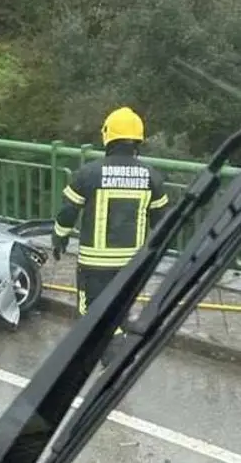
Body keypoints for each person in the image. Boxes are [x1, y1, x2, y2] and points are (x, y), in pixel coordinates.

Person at [50, 106, 169, 346]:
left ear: (108, 136)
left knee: (91, 318)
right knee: (120, 309)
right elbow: (162, 222)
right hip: (133, 264)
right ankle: (119, 349)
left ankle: (111, 359)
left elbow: (67, 213)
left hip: (96, 265)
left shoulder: (88, 173)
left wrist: (59, 238)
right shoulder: (151, 176)